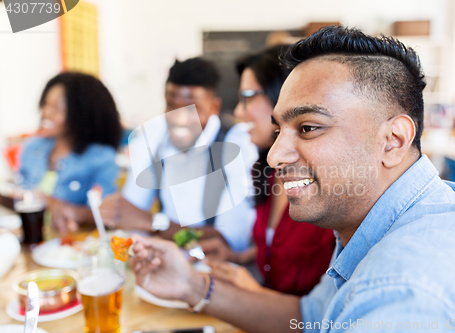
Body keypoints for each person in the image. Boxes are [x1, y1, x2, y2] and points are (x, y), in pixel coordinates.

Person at [129, 26, 455, 333]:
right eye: (278, 130)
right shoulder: (402, 214)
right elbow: (309, 318)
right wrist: (191, 285)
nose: (275, 156)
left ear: (393, 140)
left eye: (308, 128)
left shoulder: (403, 297)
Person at [201, 45, 335, 296]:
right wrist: (239, 258)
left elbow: (326, 309)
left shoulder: (329, 185)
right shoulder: (266, 171)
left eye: (248, 97)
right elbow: (278, 247)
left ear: (285, 93)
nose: (239, 112)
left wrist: (256, 296)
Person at [100, 57, 258, 252]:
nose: (180, 119)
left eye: (193, 109)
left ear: (214, 108)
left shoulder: (238, 143)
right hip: (164, 255)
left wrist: (154, 223)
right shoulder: (153, 134)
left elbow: (231, 240)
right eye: (171, 105)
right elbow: (130, 213)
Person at [18, 72, 122, 235]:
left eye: (56, 108)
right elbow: (19, 193)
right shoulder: (32, 148)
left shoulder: (101, 158)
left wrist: (73, 211)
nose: (46, 112)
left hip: (72, 244)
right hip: (30, 239)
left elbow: (110, 214)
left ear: (80, 114)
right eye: (46, 104)